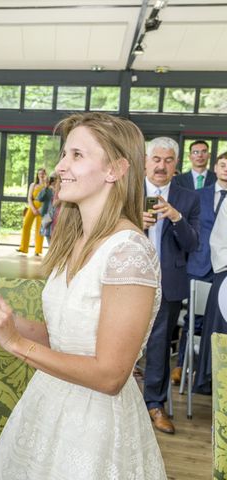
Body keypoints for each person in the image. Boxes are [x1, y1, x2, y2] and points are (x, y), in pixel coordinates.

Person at [0, 112, 166, 479]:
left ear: (115, 169)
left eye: (76, 155)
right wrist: (5, 320)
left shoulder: (128, 252)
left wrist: (16, 344)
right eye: (64, 154)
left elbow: (111, 375)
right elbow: (64, 339)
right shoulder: (74, 241)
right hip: (47, 405)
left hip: (93, 425)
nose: (60, 166)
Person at [142, 137, 200, 434]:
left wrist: (176, 217)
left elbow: (193, 244)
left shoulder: (188, 198)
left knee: (159, 346)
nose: (161, 166)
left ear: (176, 165)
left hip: (168, 283)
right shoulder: (126, 193)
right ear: (145, 161)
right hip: (125, 280)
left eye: (168, 161)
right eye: (156, 159)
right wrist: (134, 223)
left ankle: (154, 404)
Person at [172, 152, 227, 385]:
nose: (226, 169)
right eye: (223, 165)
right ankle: (181, 365)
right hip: (199, 262)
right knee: (192, 320)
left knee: (211, 324)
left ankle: (207, 372)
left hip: (221, 270)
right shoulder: (199, 195)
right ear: (215, 167)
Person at [18, 168, 48, 256]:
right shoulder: (33, 185)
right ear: (37, 175)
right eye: (39, 174)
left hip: (43, 208)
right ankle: (23, 248)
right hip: (32, 206)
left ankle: (38, 250)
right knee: (26, 225)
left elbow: (48, 199)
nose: (41, 175)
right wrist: (34, 209)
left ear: (45, 174)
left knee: (40, 228)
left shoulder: (47, 185)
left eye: (42, 173)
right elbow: (29, 198)